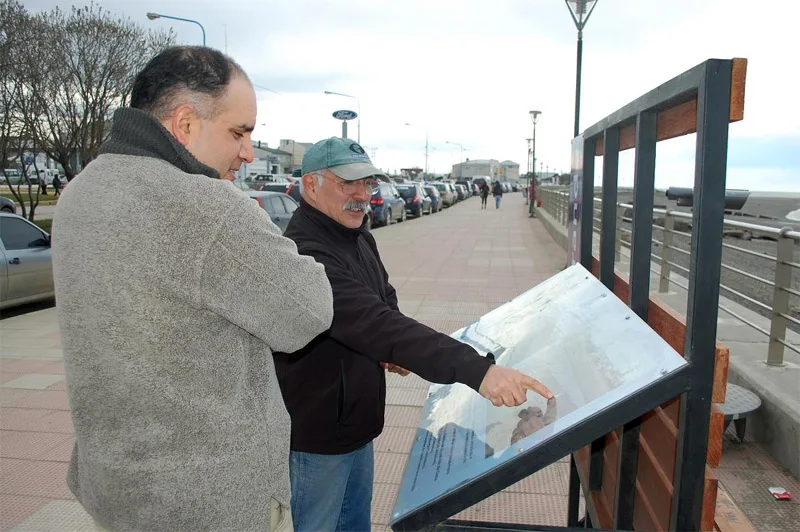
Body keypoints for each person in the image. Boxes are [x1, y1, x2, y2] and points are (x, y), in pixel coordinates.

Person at [51, 46, 334, 532]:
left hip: (117, 489)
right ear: (185, 124)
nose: (247, 152)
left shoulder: (81, 192)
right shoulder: (206, 207)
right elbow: (308, 311)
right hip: (211, 501)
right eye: (238, 132)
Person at [275, 137, 553, 532]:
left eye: (368, 183)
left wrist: (395, 351)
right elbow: (377, 323)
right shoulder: (305, 255)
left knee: (354, 524)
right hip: (316, 438)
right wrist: (480, 371)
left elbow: (383, 302)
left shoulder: (357, 235)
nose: (362, 195)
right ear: (311, 186)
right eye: (347, 183)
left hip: (356, 424)